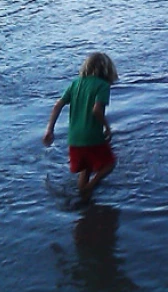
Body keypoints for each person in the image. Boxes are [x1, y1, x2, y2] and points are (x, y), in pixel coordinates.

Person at [44, 52, 119, 200]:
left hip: (74, 137)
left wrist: (50, 129)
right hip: (92, 136)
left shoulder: (75, 83)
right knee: (109, 164)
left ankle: (84, 198)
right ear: (107, 70)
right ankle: (89, 187)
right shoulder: (102, 86)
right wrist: (107, 127)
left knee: (86, 167)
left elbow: (57, 105)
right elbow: (97, 110)